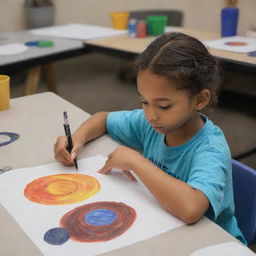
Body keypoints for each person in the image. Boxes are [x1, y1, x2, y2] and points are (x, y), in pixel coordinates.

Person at [54, 32, 246, 244]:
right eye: (144, 102)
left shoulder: (210, 149)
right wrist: (77, 139)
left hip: (213, 243)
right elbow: (103, 119)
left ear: (200, 99)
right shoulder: (153, 123)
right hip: (166, 229)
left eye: (164, 106)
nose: (150, 115)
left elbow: (191, 208)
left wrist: (136, 161)